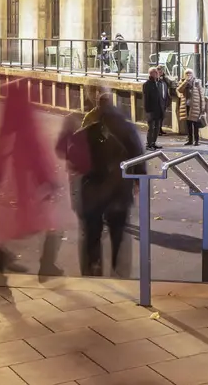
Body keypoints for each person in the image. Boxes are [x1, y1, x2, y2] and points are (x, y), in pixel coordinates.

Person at [0, 81, 62, 271]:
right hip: (27, 162)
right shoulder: (25, 115)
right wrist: (46, 178)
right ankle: (47, 264)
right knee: (48, 216)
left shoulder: (12, 113)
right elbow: (35, 146)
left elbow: (4, 140)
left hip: (19, 162)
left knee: (22, 203)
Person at [64, 89, 143, 276]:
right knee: (117, 229)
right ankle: (117, 266)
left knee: (92, 231)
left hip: (92, 188)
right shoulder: (125, 127)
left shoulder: (87, 128)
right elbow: (137, 153)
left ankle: (93, 264)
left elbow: (72, 154)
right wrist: (139, 178)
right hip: (119, 188)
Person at [141, 66, 174, 150]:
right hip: (151, 110)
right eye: (155, 72)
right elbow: (146, 98)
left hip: (159, 109)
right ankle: (149, 144)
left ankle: (153, 143)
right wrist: (148, 111)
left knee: (157, 127)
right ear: (151, 74)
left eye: (157, 72)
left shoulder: (159, 83)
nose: (157, 74)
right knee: (151, 128)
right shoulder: (147, 84)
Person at [179, 70, 205, 145]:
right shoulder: (183, 82)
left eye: (190, 73)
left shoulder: (197, 82)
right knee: (188, 124)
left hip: (195, 106)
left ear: (193, 74)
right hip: (186, 106)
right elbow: (179, 90)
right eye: (187, 73)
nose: (188, 75)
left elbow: (201, 95)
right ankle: (190, 140)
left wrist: (202, 107)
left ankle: (196, 140)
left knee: (196, 124)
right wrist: (185, 82)